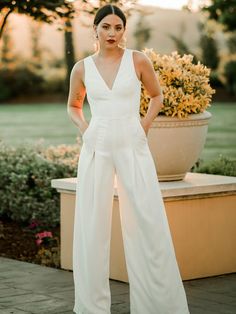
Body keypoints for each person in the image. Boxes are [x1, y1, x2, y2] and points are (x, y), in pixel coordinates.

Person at [67, 4, 190, 314]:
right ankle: (91, 307)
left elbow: (157, 96)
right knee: (91, 226)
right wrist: (87, 129)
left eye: (118, 27)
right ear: (94, 29)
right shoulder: (82, 68)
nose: (112, 33)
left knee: (147, 222)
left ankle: (158, 306)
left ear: (124, 30)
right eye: (106, 27)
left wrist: (143, 127)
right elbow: (73, 105)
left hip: (132, 146)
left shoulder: (137, 60)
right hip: (97, 147)